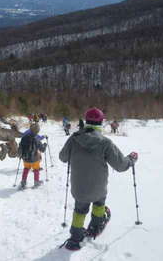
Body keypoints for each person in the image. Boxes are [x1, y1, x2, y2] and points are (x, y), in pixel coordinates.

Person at [59, 107, 138, 250]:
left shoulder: (74, 138)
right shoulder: (105, 142)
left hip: (79, 188)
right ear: (100, 122)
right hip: (98, 188)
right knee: (99, 203)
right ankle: (96, 225)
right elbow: (120, 165)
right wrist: (131, 160)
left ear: (86, 121)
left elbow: (62, 157)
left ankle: (75, 238)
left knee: (80, 210)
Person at [18, 123, 47, 189]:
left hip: (25, 158)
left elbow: (20, 147)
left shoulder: (24, 137)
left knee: (26, 169)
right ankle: (36, 182)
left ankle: (23, 183)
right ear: (37, 131)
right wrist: (45, 145)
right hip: (35, 159)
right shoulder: (36, 139)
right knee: (36, 169)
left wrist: (20, 155)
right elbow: (42, 150)